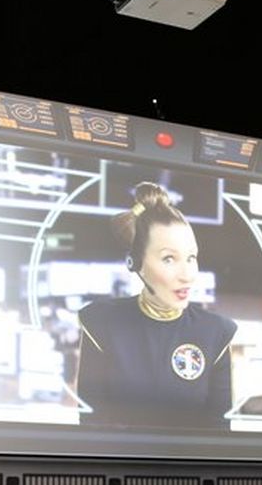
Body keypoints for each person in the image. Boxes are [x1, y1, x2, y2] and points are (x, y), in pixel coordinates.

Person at [77, 182, 237, 428]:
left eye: (191, 257)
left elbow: (220, 432)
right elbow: (91, 425)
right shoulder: (101, 324)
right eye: (169, 259)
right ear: (136, 263)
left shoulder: (216, 333)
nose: (187, 275)